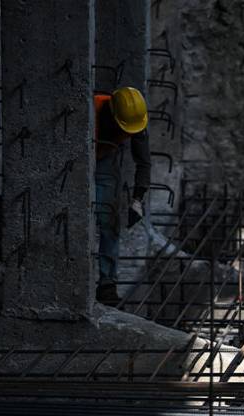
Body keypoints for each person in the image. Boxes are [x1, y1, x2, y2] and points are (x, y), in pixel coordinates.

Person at [93, 86, 151, 306]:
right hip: (78, 155)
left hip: (105, 160)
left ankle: (107, 284)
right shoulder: (92, 110)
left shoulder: (136, 119)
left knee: (109, 220)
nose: (129, 134)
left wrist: (137, 199)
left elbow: (143, 161)